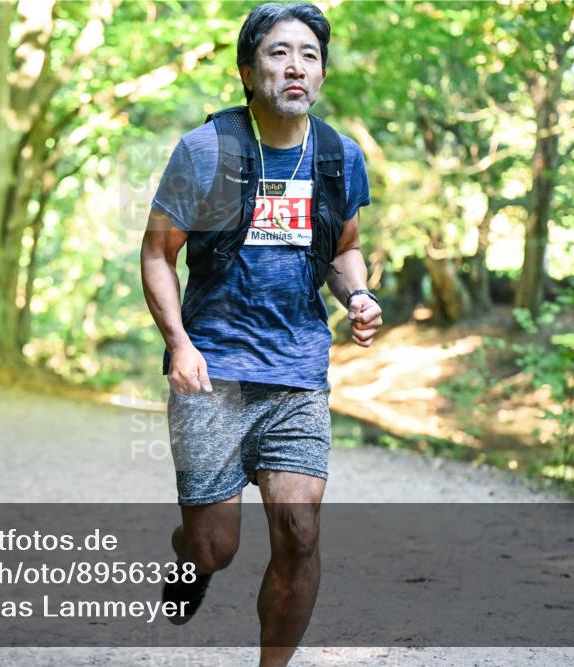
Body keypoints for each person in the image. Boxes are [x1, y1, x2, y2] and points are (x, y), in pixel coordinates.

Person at [139, 4, 382, 665]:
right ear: (248, 71)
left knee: (299, 533)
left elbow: (344, 246)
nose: (295, 65)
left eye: (308, 53)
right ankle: (189, 555)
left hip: (297, 372)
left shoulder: (338, 156)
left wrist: (357, 293)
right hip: (212, 373)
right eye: (277, 53)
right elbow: (159, 252)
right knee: (216, 545)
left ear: (322, 70)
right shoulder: (207, 150)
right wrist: (181, 344)